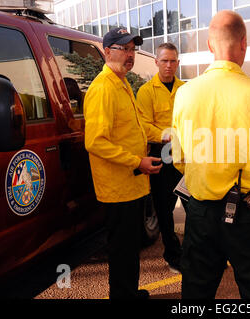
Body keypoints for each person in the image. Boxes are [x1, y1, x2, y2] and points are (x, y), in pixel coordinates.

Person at [171, 10, 250, 299]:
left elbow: (179, 158)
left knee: (196, 290)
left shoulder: (185, 94)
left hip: (200, 211)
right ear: (244, 43)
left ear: (210, 45)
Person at [84, 27, 162, 299]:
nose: (130, 55)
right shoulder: (103, 89)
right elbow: (95, 141)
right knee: (122, 248)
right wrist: (136, 161)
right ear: (107, 51)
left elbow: (139, 127)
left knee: (130, 247)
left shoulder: (122, 83)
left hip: (133, 184)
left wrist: (166, 134)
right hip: (118, 188)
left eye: (132, 49)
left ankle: (128, 291)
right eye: (123, 49)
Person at [136, 42, 185, 273]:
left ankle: (196, 253)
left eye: (172, 61)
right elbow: (144, 126)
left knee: (194, 207)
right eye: (164, 61)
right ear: (156, 62)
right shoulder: (146, 92)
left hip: (185, 156)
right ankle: (173, 255)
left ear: (177, 62)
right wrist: (169, 135)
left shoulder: (185, 89)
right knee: (165, 211)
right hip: (161, 155)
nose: (168, 65)